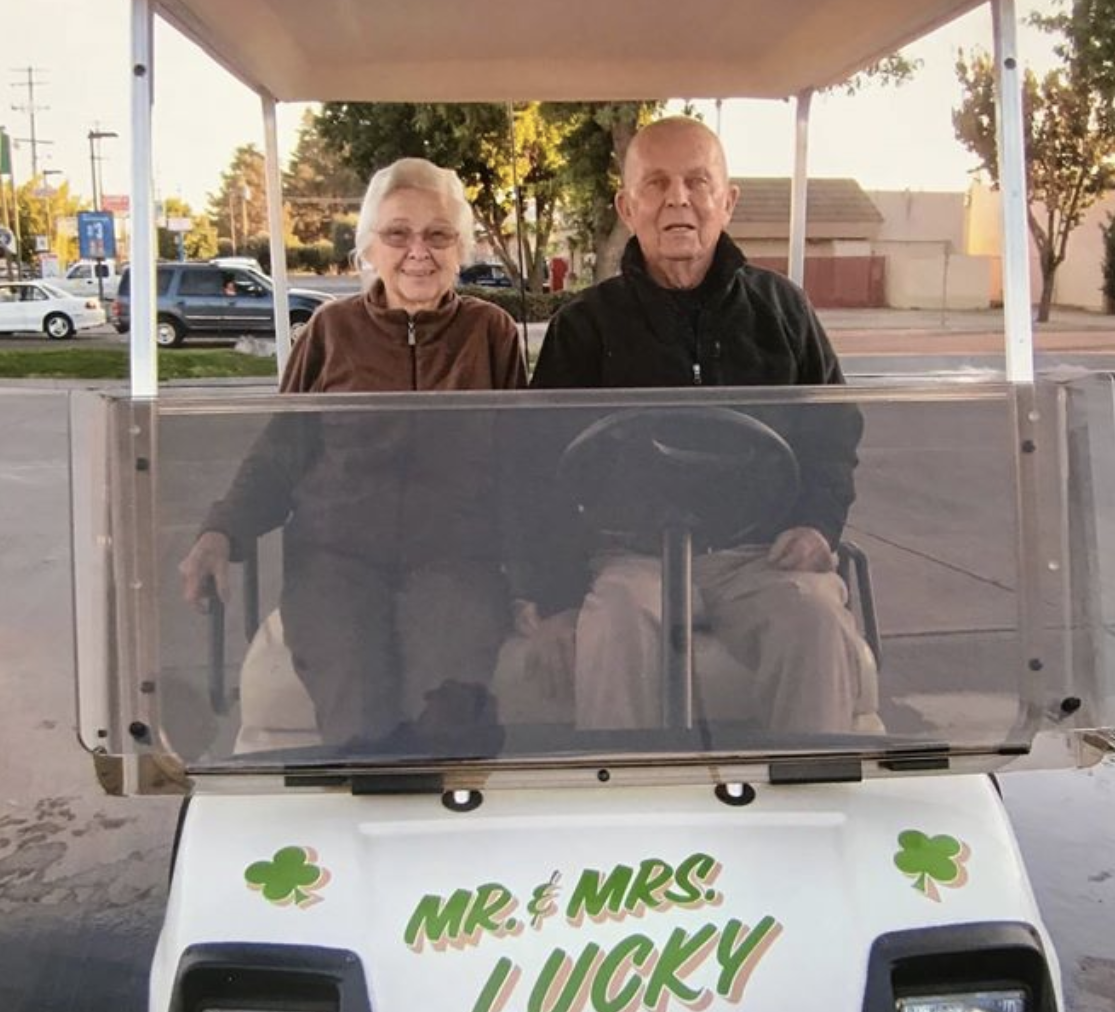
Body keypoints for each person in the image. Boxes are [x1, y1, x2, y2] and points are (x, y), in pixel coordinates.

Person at [515, 116, 869, 736]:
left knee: (813, 617)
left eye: (697, 181)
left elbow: (832, 435)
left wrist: (819, 524)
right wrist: (554, 599)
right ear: (628, 207)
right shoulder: (586, 326)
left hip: (759, 556)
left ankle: (811, 804)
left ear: (726, 201)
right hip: (630, 558)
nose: (678, 198)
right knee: (616, 624)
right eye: (656, 184)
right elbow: (538, 470)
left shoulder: (783, 311)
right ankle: (626, 810)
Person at [179, 156, 527, 749]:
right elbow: (278, 454)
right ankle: (368, 822)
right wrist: (221, 530)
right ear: (370, 246)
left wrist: (535, 585)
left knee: (448, 710)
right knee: (359, 707)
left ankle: (445, 827)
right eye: (397, 233)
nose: (418, 250)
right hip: (335, 562)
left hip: (455, 561)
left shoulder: (490, 333)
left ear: (461, 247)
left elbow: (523, 468)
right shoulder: (328, 331)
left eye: (438, 234)